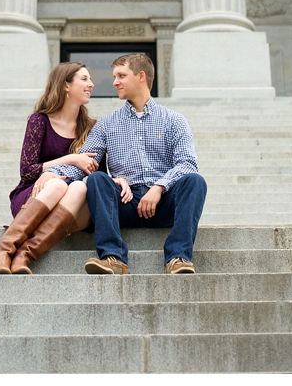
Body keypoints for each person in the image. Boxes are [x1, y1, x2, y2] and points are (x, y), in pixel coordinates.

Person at [47, 52, 207, 275]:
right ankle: (113, 258)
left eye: (121, 75)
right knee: (96, 179)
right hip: (124, 202)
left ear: (141, 76)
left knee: (195, 181)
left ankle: (177, 257)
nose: (114, 82)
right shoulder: (106, 124)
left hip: (164, 203)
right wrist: (51, 173)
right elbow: (84, 161)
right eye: (114, 76)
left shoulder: (174, 121)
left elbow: (187, 163)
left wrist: (159, 187)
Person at [0, 62, 112, 275]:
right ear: (66, 85)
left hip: (74, 208)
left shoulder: (93, 127)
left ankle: (23, 253)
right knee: (55, 185)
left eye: (90, 79)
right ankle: (6, 252)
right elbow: (27, 171)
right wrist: (71, 159)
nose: (91, 84)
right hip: (35, 197)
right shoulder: (39, 121)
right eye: (84, 79)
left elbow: (98, 174)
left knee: (80, 188)